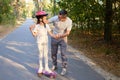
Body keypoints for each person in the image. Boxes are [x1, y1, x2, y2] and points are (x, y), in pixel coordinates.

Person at [30, 11, 56, 77]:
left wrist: (56, 36)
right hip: (39, 42)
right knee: (40, 55)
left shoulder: (46, 25)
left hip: (45, 42)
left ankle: (46, 67)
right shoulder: (37, 26)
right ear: (40, 19)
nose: (46, 19)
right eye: (45, 18)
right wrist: (31, 30)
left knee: (46, 55)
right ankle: (41, 67)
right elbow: (34, 35)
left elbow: (50, 34)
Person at [48, 9, 72, 75]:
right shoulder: (55, 18)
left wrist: (61, 35)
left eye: (60, 17)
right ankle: (54, 65)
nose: (59, 18)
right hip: (54, 38)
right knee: (53, 53)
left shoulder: (69, 21)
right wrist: (41, 18)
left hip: (63, 38)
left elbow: (68, 33)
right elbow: (46, 22)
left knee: (63, 54)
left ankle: (64, 67)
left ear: (65, 17)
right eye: (58, 16)